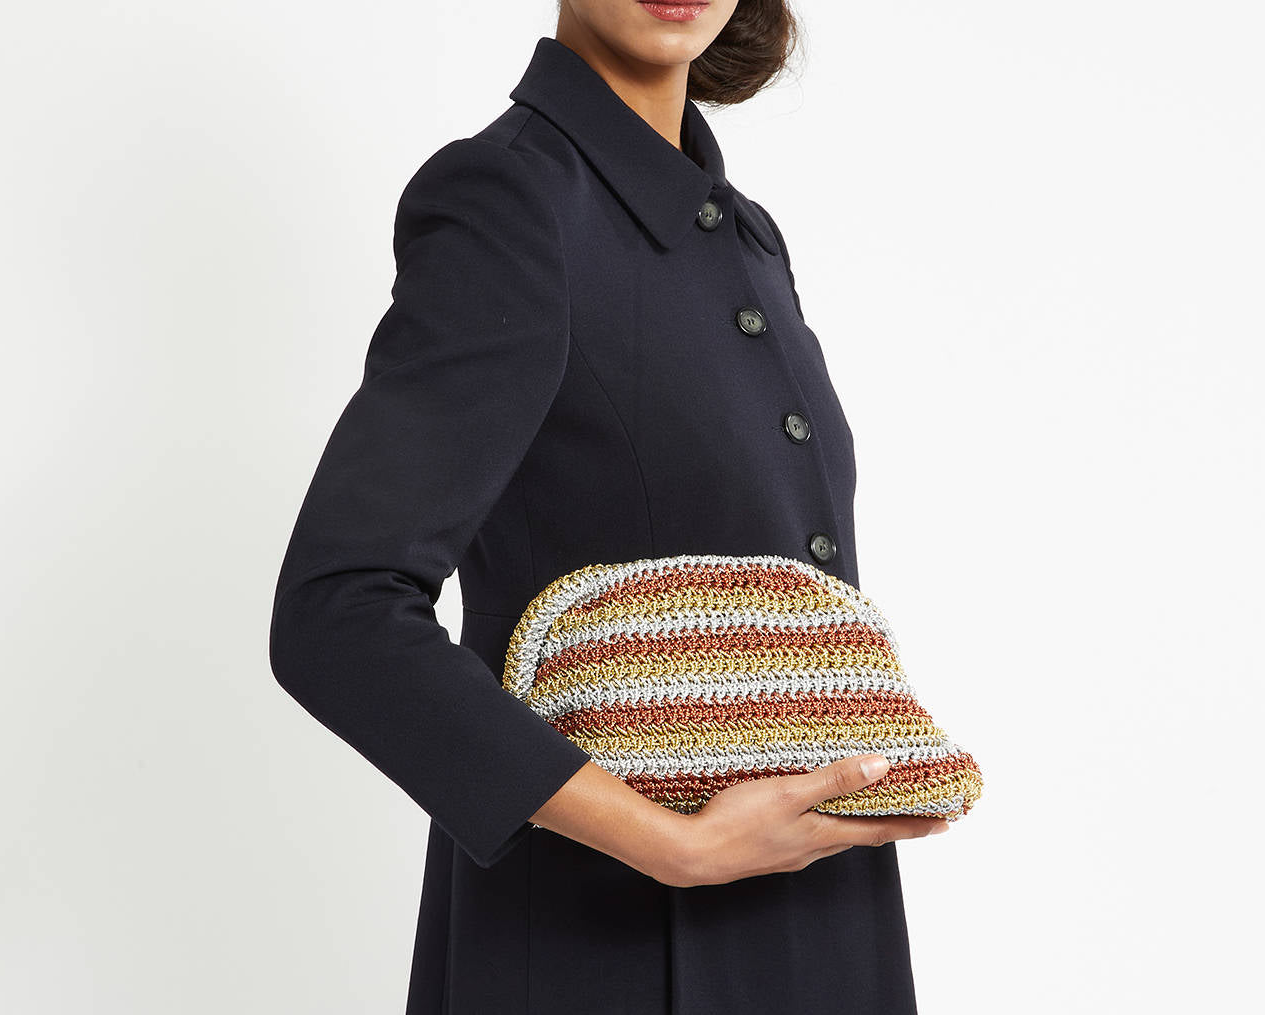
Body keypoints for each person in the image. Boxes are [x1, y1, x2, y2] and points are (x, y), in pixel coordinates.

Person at [269, 2, 949, 1012]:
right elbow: (339, 611)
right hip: (611, 945)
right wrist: (674, 845)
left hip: (822, 924)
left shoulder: (748, 234)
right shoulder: (508, 199)